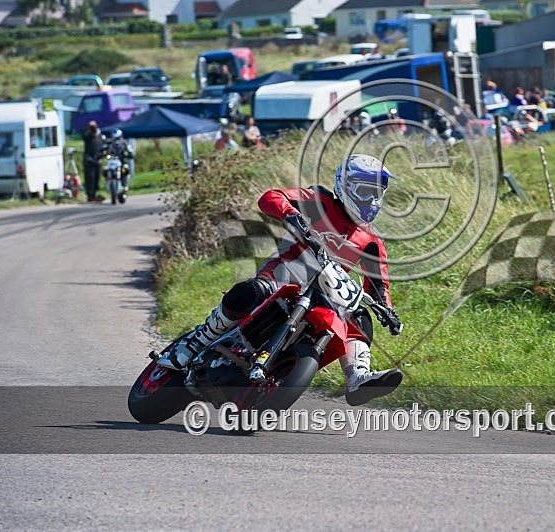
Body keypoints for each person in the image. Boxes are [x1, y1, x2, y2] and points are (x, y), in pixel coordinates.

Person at [158, 154, 404, 405]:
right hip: (284, 274)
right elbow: (270, 197)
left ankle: (357, 377)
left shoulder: (372, 241)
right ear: (346, 186)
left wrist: (387, 310)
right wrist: (289, 214)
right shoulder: (319, 202)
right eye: (366, 191)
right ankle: (195, 341)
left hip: (324, 293)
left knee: (360, 317)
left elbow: (378, 284)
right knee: (252, 291)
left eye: (377, 193)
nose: (373, 200)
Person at [107, 129, 135, 198]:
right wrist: (103, 154)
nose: (116, 140)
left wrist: (129, 155)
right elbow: (104, 150)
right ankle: (108, 183)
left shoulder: (125, 143)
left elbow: (130, 151)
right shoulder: (110, 144)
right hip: (113, 162)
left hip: (122, 161)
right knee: (105, 170)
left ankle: (124, 185)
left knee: (124, 169)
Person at [82, 120, 105, 203]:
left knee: (96, 178)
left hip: (98, 160)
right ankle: (90, 195)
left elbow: (104, 146)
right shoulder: (88, 136)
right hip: (89, 160)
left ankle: (94, 195)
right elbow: (84, 134)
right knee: (90, 178)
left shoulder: (100, 136)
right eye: (92, 128)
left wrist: (103, 154)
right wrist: (89, 126)